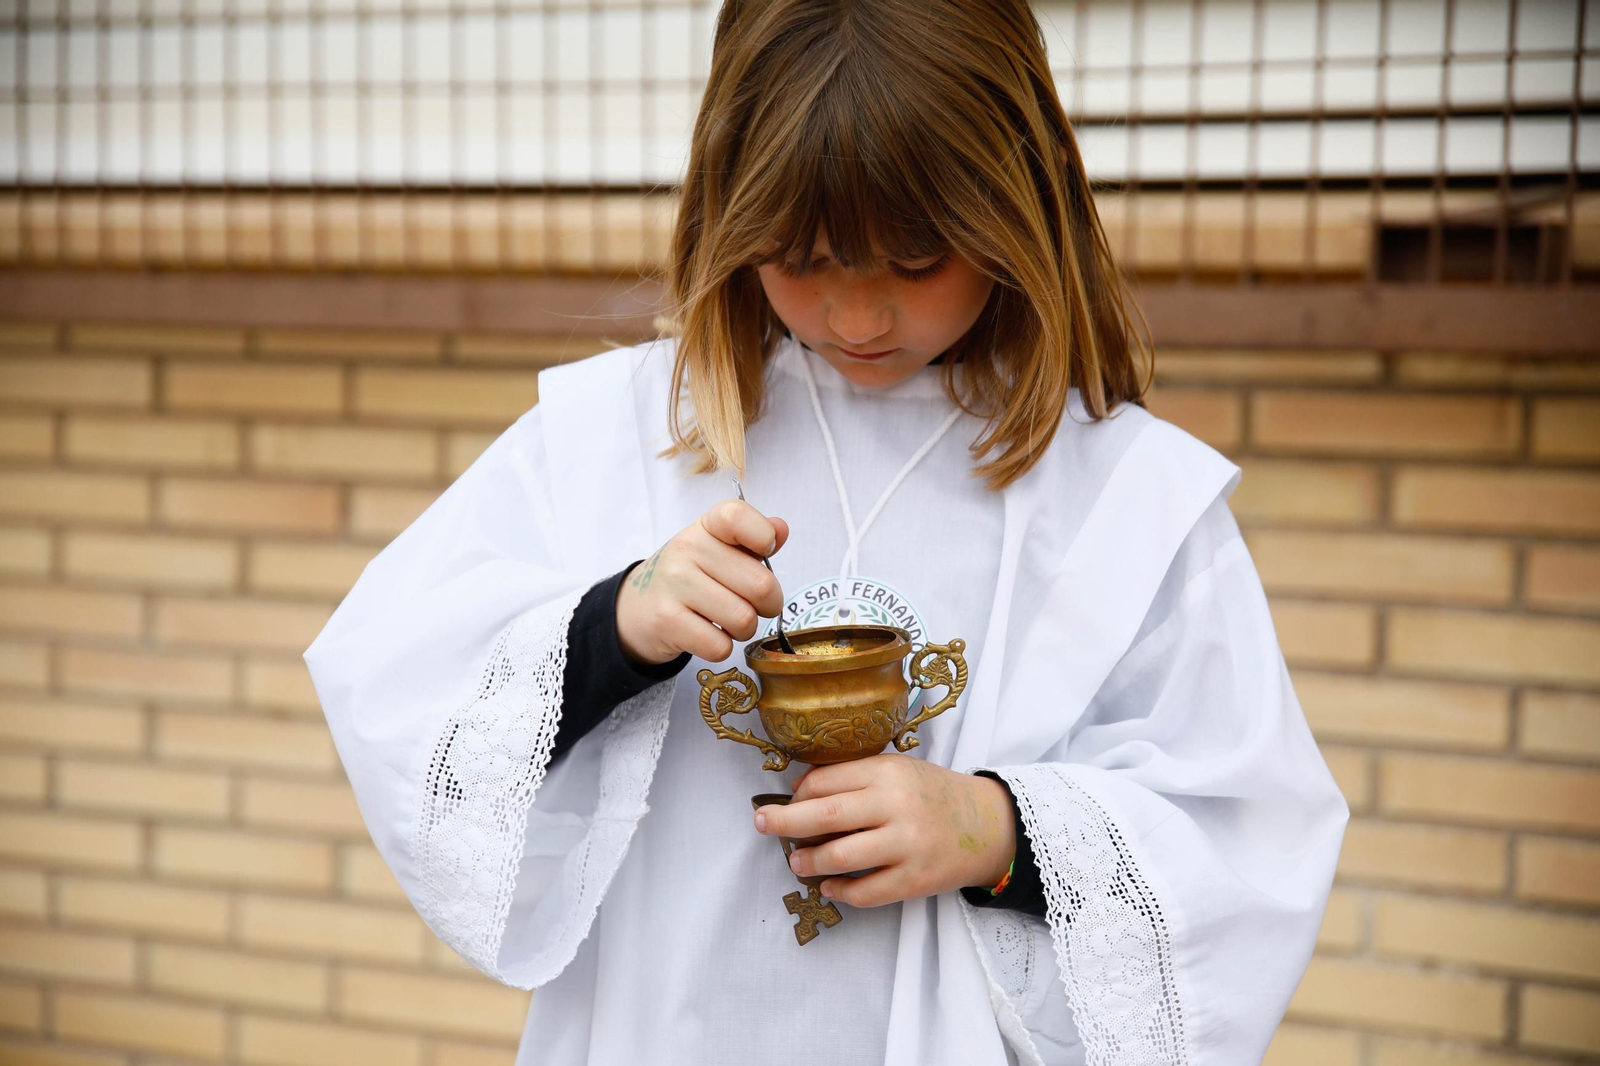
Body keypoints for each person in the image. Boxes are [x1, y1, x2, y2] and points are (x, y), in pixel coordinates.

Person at [303, 1, 1347, 1062]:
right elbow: (398, 680)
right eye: (802, 257)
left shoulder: (1119, 494)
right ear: (727, 206)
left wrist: (993, 829)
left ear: (1016, 205)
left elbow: (1245, 838)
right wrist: (615, 624)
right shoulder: (623, 437)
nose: (857, 319)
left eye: (916, 257)